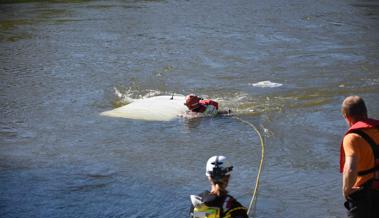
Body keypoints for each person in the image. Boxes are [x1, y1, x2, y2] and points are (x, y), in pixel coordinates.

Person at [339, 96, 379, 218]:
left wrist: (346, 190)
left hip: (363, 194)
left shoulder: (352, 138)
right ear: (365, 112)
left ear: (346, 115)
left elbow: (351, 168)